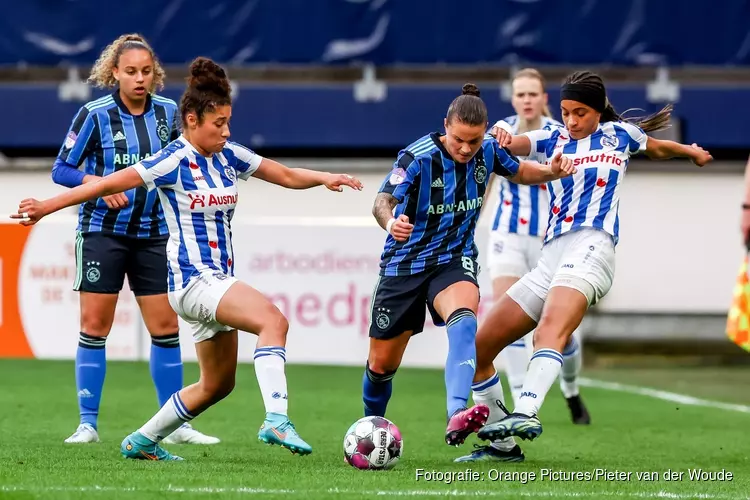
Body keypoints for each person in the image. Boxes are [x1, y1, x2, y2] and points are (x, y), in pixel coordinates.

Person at [13, 57, 364, 461]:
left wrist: (324, 178)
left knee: (217, 385)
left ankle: (141, 441)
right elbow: (106, 184)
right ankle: (276, 418)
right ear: (193, 120)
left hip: (213, 281)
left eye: (229, 122)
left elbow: (283, 174)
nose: (226, 131)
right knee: (273, 320)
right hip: (194, 280)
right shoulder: (172, 161)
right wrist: (45, 206)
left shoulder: (230, 155)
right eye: (219, 123)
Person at [462, 71, 712, 451]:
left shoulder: (620, 135)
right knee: (480, 348)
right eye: (565, 112)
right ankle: (503, 448)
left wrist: (689, 151)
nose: (572, 121)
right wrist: (498, 133)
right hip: (551, 257)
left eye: (580, 112)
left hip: (593, 248)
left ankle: (527, 410)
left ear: (597, 111)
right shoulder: (552, 138)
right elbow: (514, 142)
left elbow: (657, 147)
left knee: (550, 330)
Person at [363, 83, 576, 448]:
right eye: (459, 139)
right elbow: (382, 199)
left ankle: (456, 414)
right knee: (381, 366)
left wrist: (552, 172)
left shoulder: (490, 151)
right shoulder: (416, 158)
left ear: (485, 132)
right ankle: (370, 422)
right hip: (404, 267)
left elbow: (520, 172)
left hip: (453, 260)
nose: (465, 148)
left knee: (465, 323)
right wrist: (390, 222)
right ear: (446, 125)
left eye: (474, 141)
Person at [51, 34, 217, 445]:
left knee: (165, 327)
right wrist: (99, 183)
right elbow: (62, 169)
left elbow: (190, 158)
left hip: (156, 234)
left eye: (146, 71)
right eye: (131, 72)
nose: (139, 78)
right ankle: (87, 424)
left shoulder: (168, 114)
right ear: (115, 74)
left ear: (154, 73)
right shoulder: (93, 114)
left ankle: (177, 426)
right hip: (101, 232)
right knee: (95, 326)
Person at [486, 69, 589, 422]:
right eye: (521, 94)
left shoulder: (562, 132)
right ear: (513, 99)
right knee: (507, 313)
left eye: (533, 94)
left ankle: (571, 390)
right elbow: (483, 177)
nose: (527, 100)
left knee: (562, 331)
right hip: (507, 234)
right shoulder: (502, 131)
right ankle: (518, 400)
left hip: (550, 238)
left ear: (544, 98)